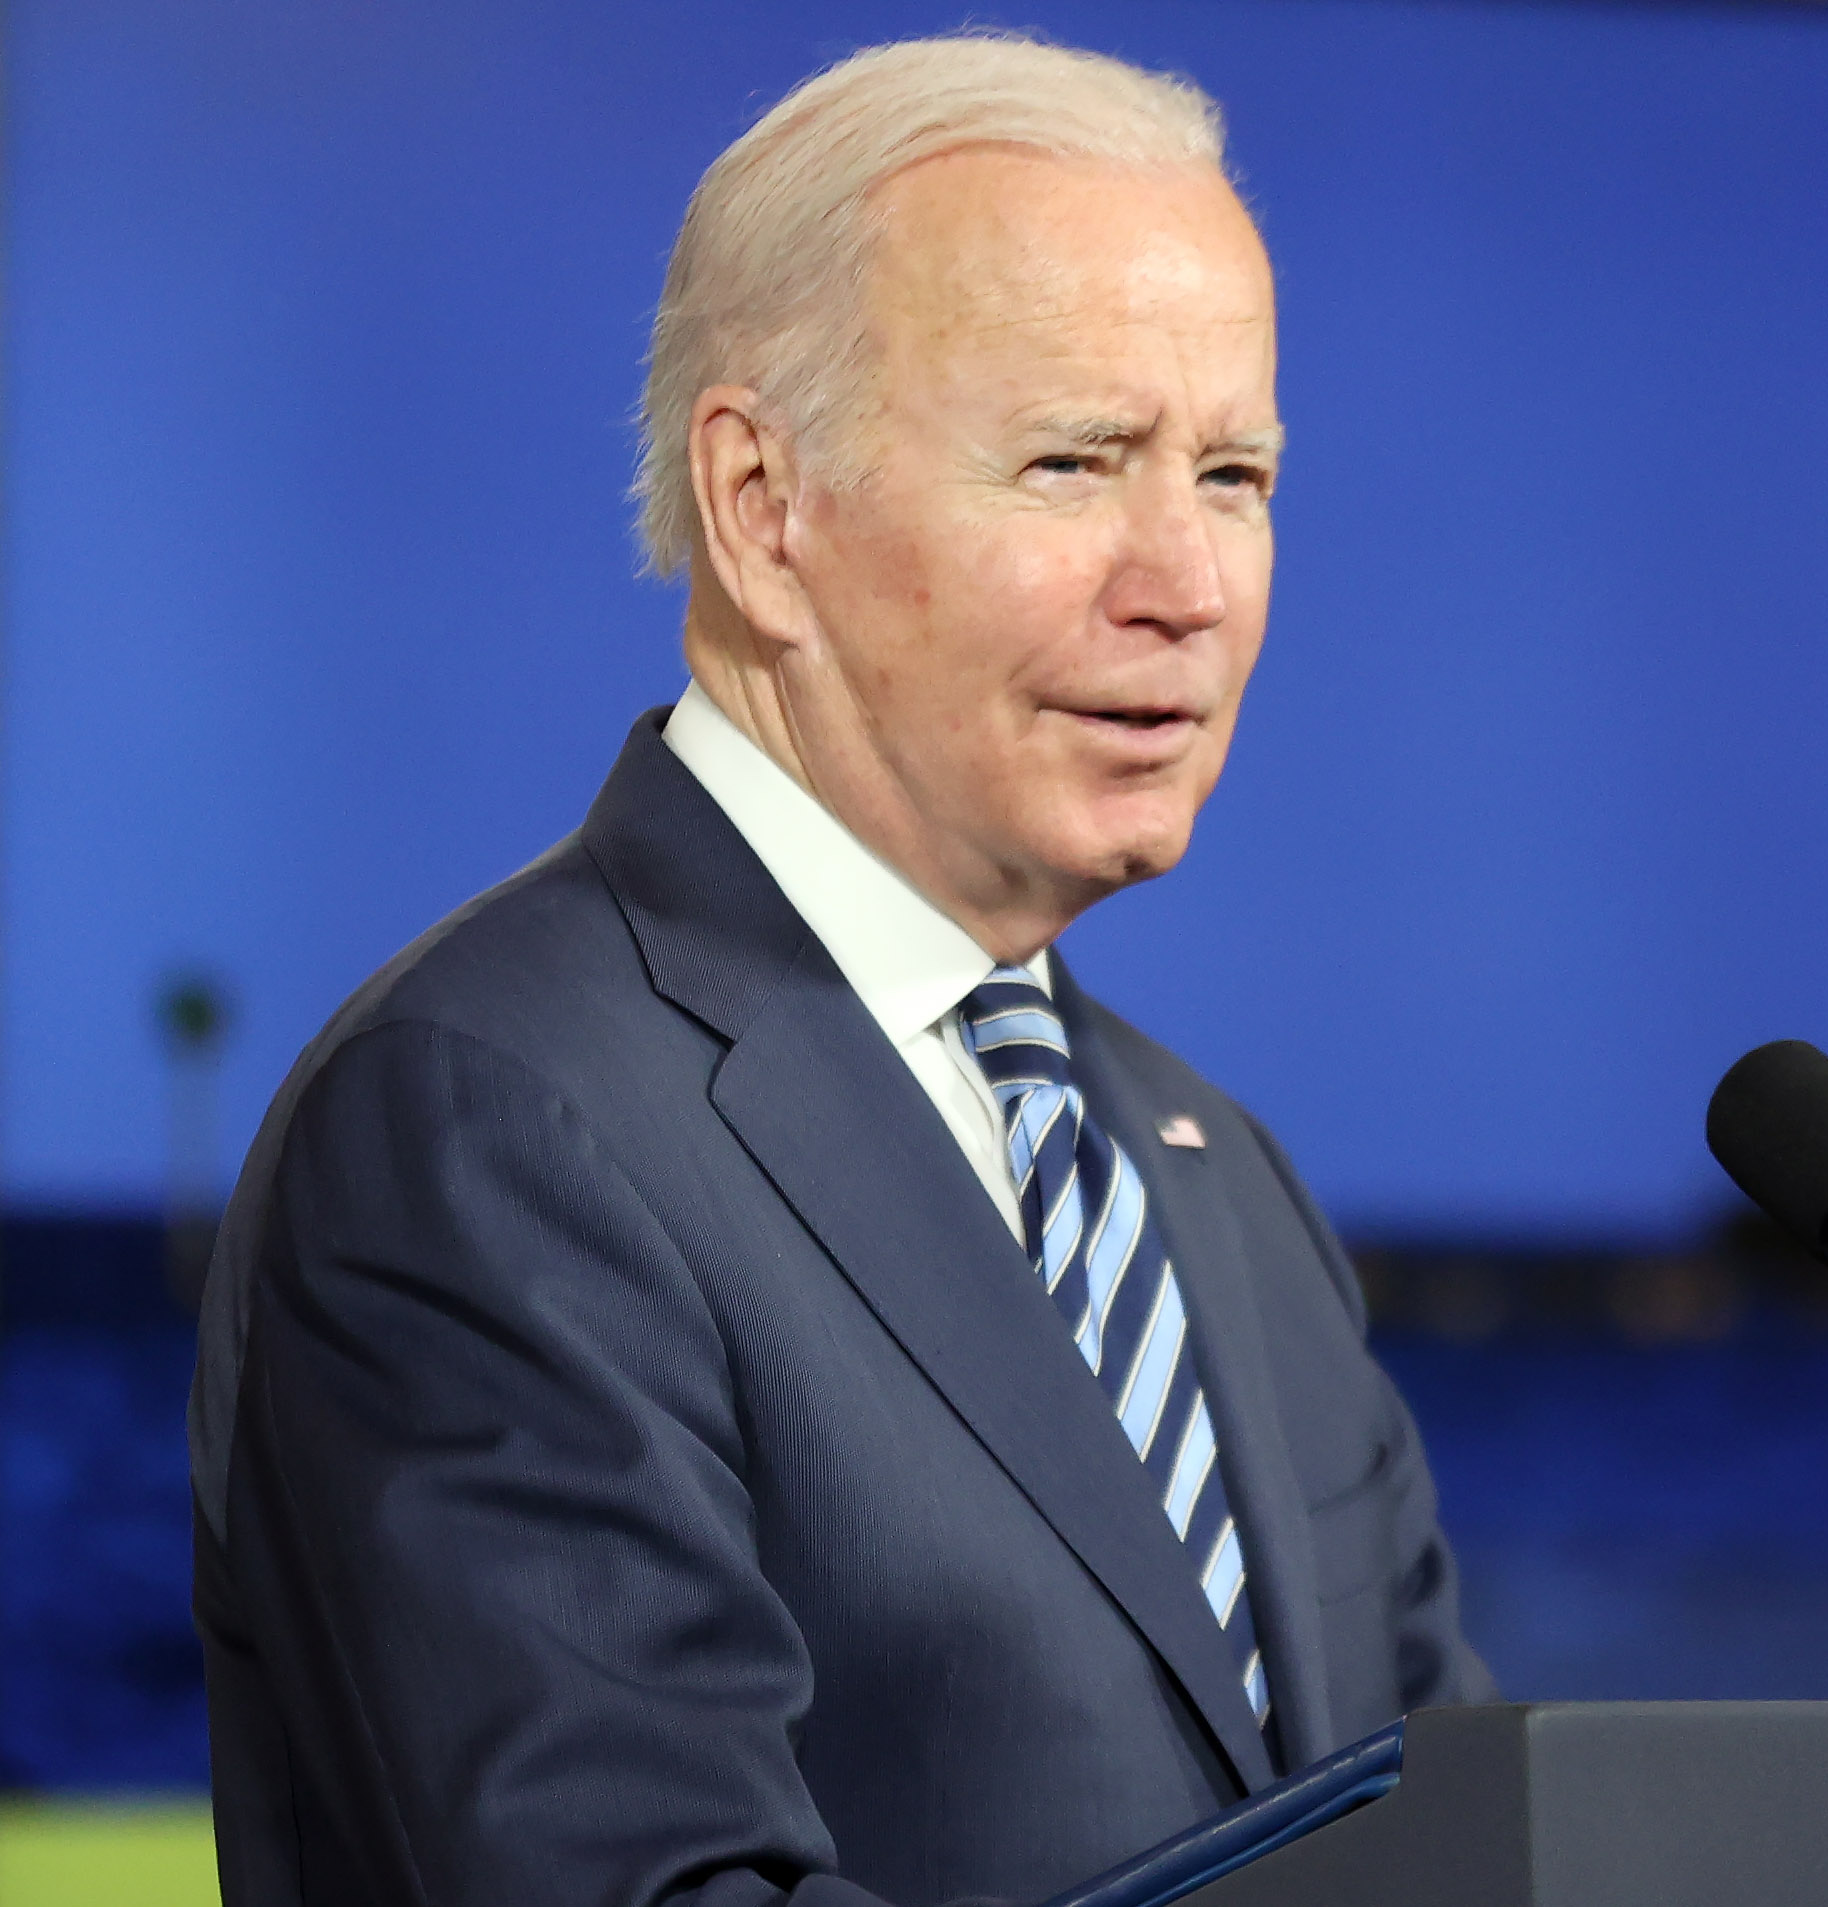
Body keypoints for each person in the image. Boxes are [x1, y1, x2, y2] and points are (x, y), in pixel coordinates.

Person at [188, 35, 1492, 1907]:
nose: (1186, 579)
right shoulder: (488, 1125)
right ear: (759, 508)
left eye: (1233, 473)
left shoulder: (1221, 1186)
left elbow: (1474, 1843)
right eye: (1073, 463)